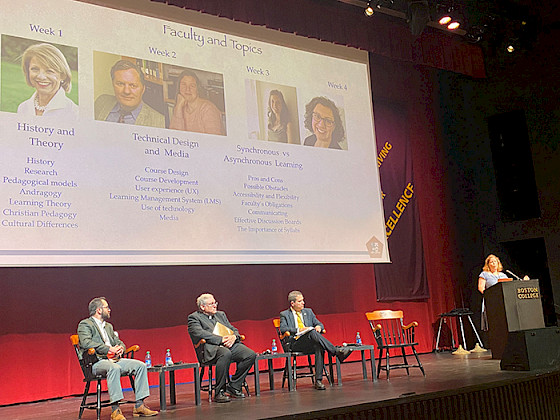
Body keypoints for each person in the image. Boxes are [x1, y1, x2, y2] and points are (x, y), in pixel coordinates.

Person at [77, 297, 157, 420]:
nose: (109, 310)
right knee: (113, 368)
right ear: (99, 310)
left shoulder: (108, 326)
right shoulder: (85, 324)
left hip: (114, 359)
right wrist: (108, 349)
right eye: (106, 307)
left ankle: (140, 405)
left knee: (140, 366)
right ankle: (115, 410)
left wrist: (121, 348)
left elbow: (119, 341)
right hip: (96, 362)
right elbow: (86, 343)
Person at [187, 293, 256, 403]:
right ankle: (219, 392)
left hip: (228, 346)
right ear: (202, 307)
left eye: (215, 303)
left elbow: (233, 329)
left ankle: (234, 386)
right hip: (210, 350)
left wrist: (234, 336)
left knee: (250, 354)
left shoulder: (220, 315)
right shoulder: (194, 318)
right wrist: (221, 340)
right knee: (225, 353)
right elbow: (199, 333)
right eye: (211, 304)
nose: (215, 305)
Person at [279, 290, 351, 390]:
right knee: (312, 332)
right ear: (292, 303)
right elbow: (283, 329)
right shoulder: (285, 314)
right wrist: (299, 329)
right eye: (300, 301)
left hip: (309, 341)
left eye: (303, 300)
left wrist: (318, 327)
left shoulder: (308, 312)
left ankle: (318, 381)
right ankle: (336, 351)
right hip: (295, 343)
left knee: (318, 345)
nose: (303, 303)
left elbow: (319, 324)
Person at [94, 60, 165, 127]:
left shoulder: (159, 122)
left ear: (143, 89)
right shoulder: (101, 102)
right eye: (120, 84)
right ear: (113, 84)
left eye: (133, 85)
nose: (126, 91)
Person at [17, 43, 78, 118]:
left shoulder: (74, 113)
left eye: (49, 71)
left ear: (63, 75)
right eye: (35, 69)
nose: (41, 76)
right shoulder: (23, 108)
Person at [169, 70, 225, 135]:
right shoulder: (180, 106)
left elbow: (214, 141)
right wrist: (178, 108)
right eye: (184, 85)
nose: (187, 89)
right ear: (179, 88)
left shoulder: (208, 109)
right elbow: (175, 136)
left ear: (198, 89)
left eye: (192, 86)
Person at [478, 254, 509, 331]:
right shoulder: (484, 274)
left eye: (495, 261)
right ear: (488, 264)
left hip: (503, 302)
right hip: (491, 302)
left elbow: (509, 287)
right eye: (491, 262)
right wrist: (489, 296)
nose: (494, 263)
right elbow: (481, 288)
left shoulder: (503, 275)